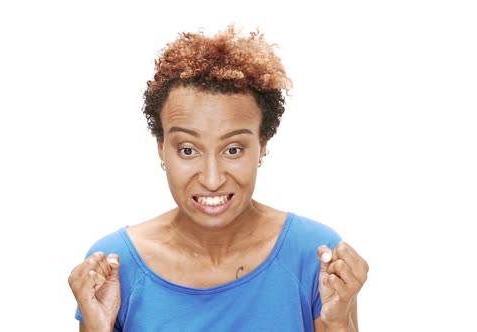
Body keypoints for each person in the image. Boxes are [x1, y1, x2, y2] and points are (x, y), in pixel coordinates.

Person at [68, 25, 368, 332]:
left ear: (261, 146)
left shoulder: (315, 256)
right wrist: (96, 327)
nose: (212, 179)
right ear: (161, 148)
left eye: (233, 149)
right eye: (187, 150)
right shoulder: (115, 267)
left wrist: (338, 322)